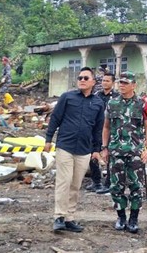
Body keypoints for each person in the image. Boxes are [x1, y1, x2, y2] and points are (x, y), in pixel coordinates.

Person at [44, 67, 105, 233]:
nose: (82, 80)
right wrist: (48, 139)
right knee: (64, 181)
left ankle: (70, 218)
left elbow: (98, 129)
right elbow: (55, 118)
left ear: (93, 82)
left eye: (86, 78)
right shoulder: (67, 97)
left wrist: (96, 150)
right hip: (65, 146)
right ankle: (59, 217)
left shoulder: (98, 103)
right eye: (80, 78)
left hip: (84, 150)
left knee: (75, 184)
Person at [102, 72, 147, 233]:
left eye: (125, 83)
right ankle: (121, 217)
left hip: (135, 153)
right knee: (116, 186)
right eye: (120, 82)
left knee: (136, 187)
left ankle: (134, 219)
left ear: (134, 85)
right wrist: (104, 147)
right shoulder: (112, 103)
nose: (121, 85)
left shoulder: (143, 104)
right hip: (116, 152)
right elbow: (106, 127)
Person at [87, 72, 118, 195]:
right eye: (103, 80)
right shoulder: (96, 96)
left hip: (110, 130)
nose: (104, 83)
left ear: (113, 83)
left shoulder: (116, 97)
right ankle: (96, 181)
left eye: (107, 81)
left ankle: (109, 183)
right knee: (93, 154)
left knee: (110, 156)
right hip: (96, 129)